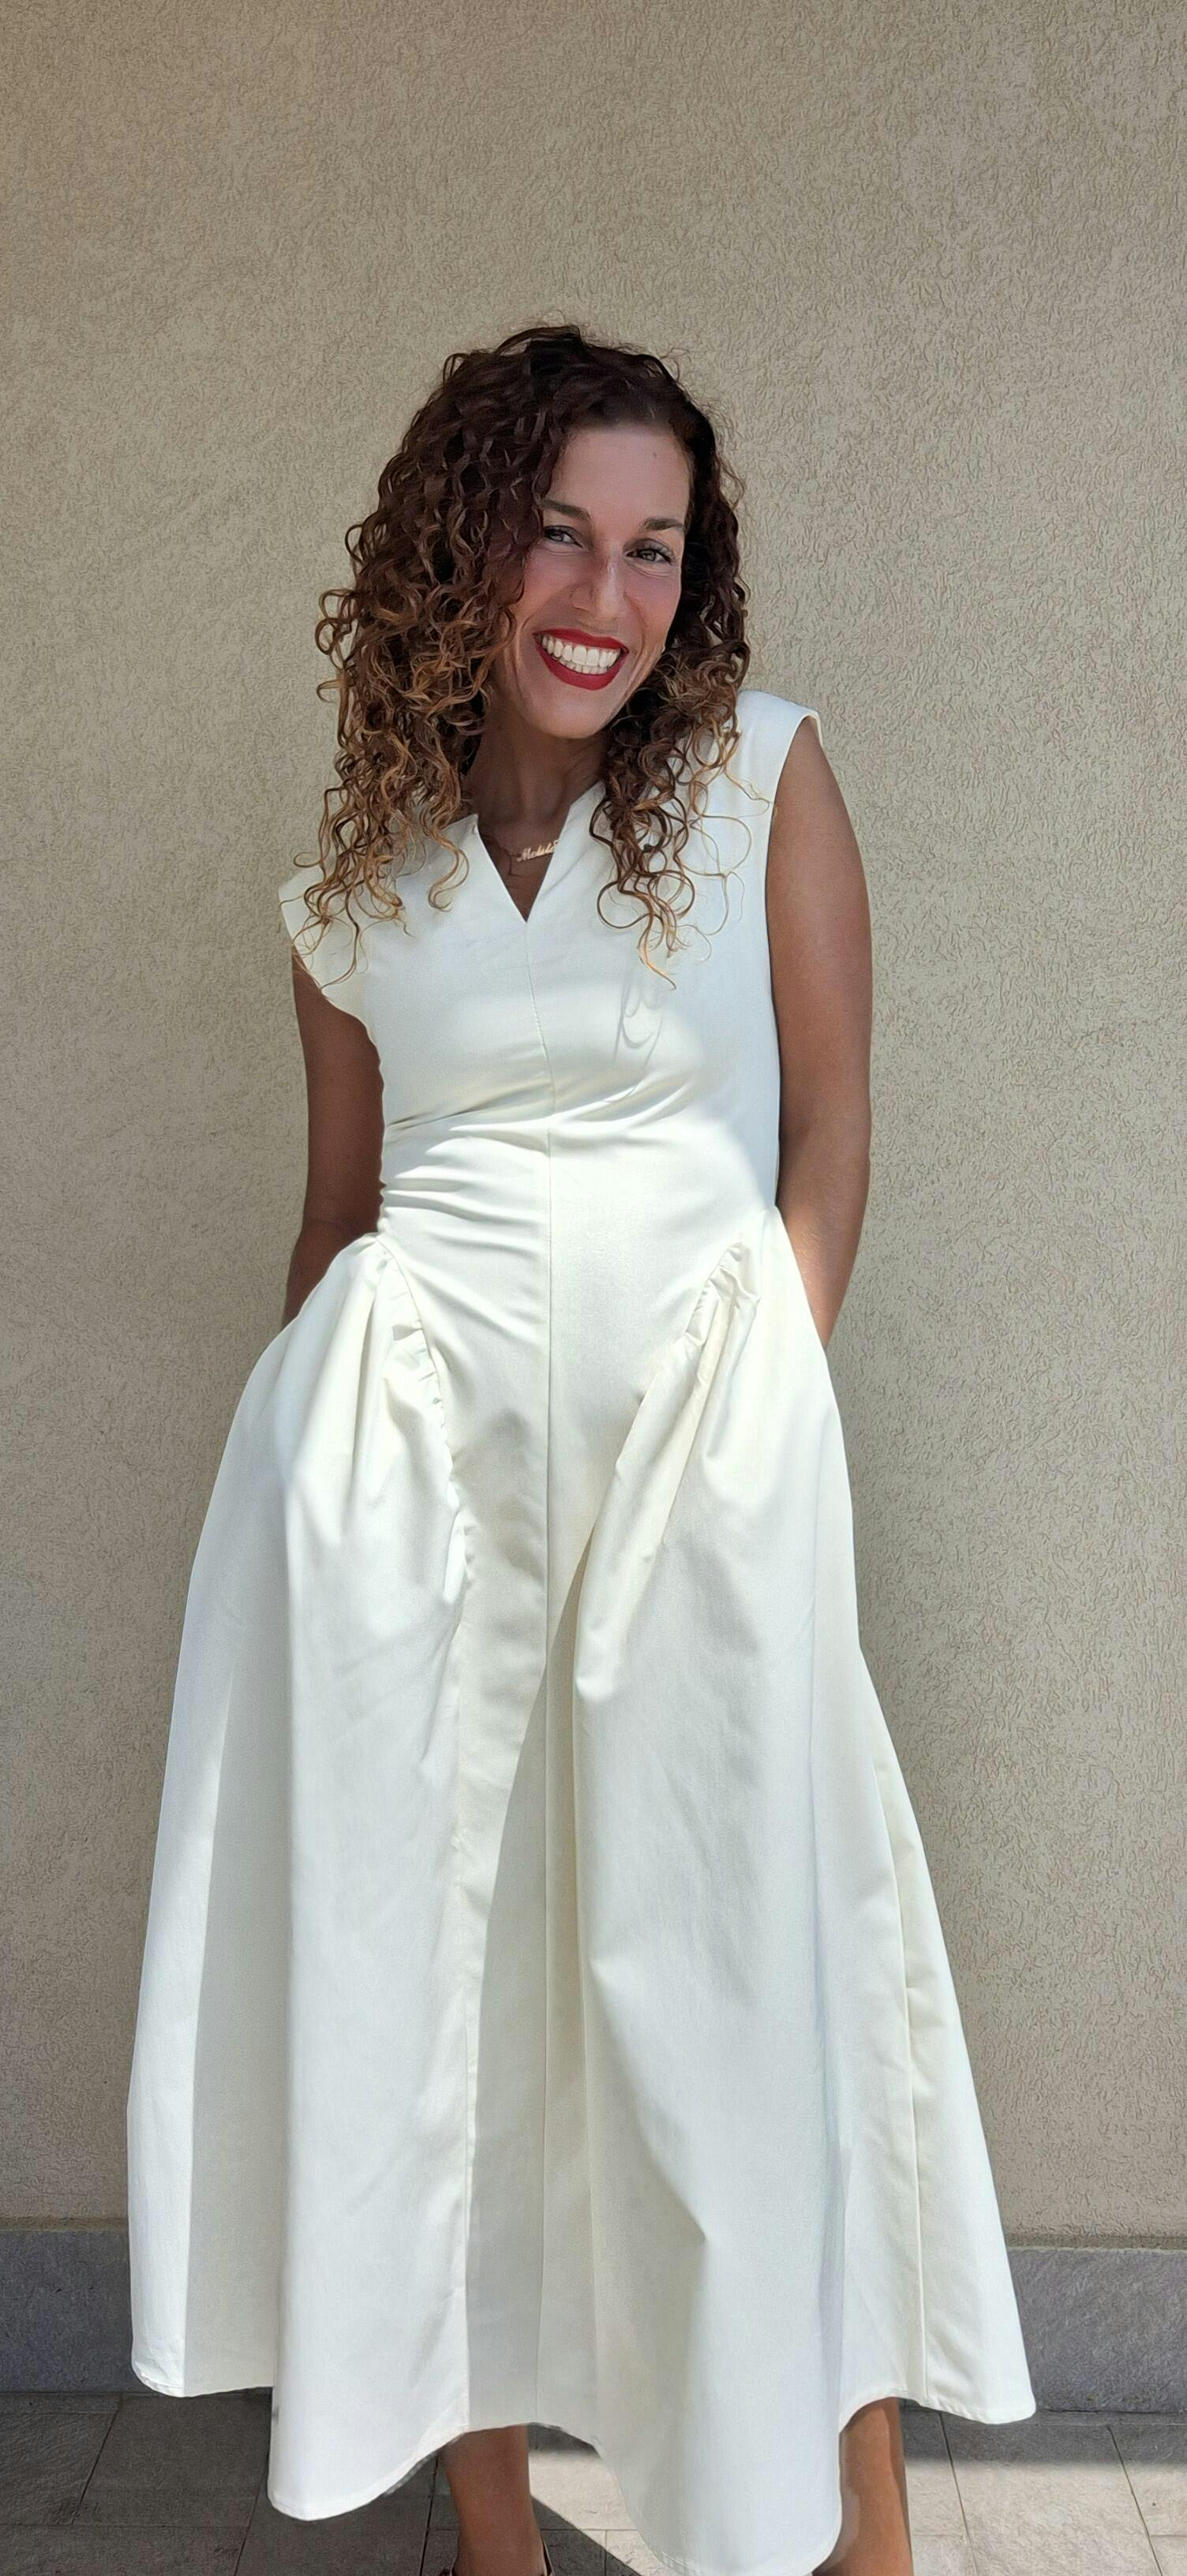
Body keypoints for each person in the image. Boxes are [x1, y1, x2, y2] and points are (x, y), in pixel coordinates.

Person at [125, 322, 1035, 2576]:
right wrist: (306, 1524)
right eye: (560, 531)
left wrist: (767, 1422)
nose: (606, 595)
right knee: (443, 2012)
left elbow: (832, 1145)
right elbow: (337, 1221)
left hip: (702, 1494)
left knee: (761, 1982)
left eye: (653, 547)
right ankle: (498, 2541)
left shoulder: (761, 783)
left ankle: (855, 2541)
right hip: (409, 1522)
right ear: (467, 543)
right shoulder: (356, 889)